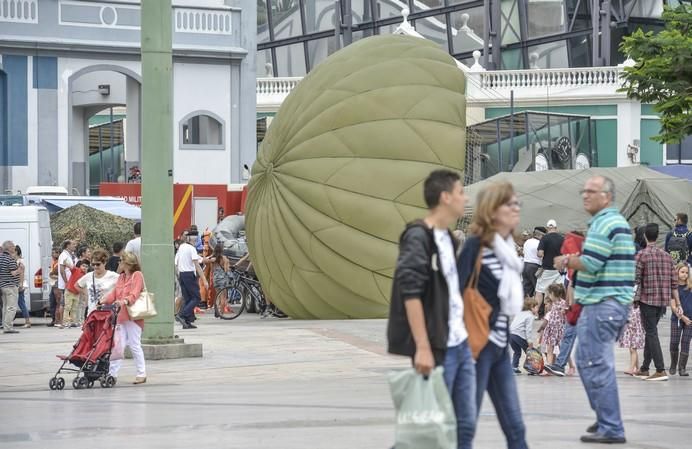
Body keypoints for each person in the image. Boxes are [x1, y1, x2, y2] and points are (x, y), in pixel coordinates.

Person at [387, 169, 476, 449]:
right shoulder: (417, 237)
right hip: (438, 346)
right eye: (461, 192)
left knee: (465, 423)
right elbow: (410, 292)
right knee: (432, 427)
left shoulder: (449, 239)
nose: (465, 198)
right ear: (445, 197)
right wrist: (422, 346)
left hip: (460, 343)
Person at [553, 175, 634, 444]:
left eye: (591, 191)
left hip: (603, 303)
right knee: (590, 363)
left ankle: (611, 426)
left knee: (596, 364)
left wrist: (566, 259)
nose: (585, 195)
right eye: (584, 191)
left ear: (606, 197)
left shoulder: (605, 222)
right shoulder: (609, 222)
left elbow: (592, 262)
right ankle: (605, 418)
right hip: (604, 304)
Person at [458, 181, 527, 449]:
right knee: (465, 427)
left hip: (500, 347)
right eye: (510, 204)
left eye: (517, 203)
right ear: (492, 210)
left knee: (515, 427)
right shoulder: (476, 247)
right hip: (474, 347)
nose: (516, 209)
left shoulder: (508, 249)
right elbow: (454, 294)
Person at [633, 223, 678, 381]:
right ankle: (645, 368)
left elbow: (636, 280)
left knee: (651, 333)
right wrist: (677, 304)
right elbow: (674, 282)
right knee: (650, 332)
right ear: (658, 236)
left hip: (647, 300)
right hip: (663, 302)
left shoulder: (641, 255)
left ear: (645, 236)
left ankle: (660, 369)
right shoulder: (667, 256)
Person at [100, 251, 147, 385]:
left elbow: (135, 293)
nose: (119, 263)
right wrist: (104, 300)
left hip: (133, 316)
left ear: (127, 263)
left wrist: (125, 301)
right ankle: (112, 374)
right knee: (118, 346)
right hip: (120, 316)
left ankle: (141, 373)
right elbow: (114, 293)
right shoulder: (121, 277)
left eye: (121, 261)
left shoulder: (137, 275)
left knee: (134, 345)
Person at [175, 230, 207, 329]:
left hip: (182, 274)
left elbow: (177, 262)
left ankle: (187, 322)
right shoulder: (191, 249)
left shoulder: (182, 247)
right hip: (189, 275)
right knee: (196, 297)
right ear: (195, 239)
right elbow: (197, 265)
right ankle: (182, 315)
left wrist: (178, 275)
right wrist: (204, 279)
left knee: (188, 298)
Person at [76, 249, 119, 316]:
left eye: (98, 264)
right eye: (93, 264)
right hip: (91, 313)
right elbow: (77, 285)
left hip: (107, 313)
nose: (95, 267)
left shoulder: (113, 276)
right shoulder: (89, 276)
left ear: (104, 263)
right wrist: (86, 293)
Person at [535, 219, 564, 317]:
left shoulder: (544, 238)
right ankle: (556, 313)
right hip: (559, 270)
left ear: (548, 228)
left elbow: (540, 253)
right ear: (556, 227)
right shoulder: (562, 238)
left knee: (540, 291)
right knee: (557, 291)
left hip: (547, 269)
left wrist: (542, 254)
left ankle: (536, 312)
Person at [669, 263, 692, 376]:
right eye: (682, 272)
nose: (684, 275)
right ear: (677, 272)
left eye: (687, 272)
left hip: (690, 321)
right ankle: (673, 364)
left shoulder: (690, 286)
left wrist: (688, 319)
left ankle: (682, 368)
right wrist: (683, 317)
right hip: (677, 319)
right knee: (674, 342)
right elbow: (673, 306)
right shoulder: (674, 288)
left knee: (686, 343)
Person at [538, 283, 567, 367]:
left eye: (550, 294)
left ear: (554, 294)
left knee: (563, 349)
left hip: (559, 330)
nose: (549, 296)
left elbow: (564, 315)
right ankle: (549, 366)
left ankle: (570, 365)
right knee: (550, 349)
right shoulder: (553, 303)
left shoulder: (562, 303)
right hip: (551, 329)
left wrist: (563, 311)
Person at [509, 297, 538, 374]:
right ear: (531, 307)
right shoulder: (530, 316)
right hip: (519, 335)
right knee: (530, 352)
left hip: (511, 334)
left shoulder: (519, 313)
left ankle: (514, 367)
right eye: (536, 307)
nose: (537, 309)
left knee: (517, 351)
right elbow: (528, 330)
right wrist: (530, 342)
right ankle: (532, 369)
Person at [619, 301, 645, 376]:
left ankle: (631, 369)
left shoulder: (638, 308)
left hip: (637, 331)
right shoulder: (629, 307)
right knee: (632, 349)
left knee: (632, 349)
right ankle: (638, 368)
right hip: (630, 331)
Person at [0, 241, 21, 334]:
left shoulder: (0, 257)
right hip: (10, 285)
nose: (14, 248)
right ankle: (8, 327)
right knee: (11, 307)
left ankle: (5, 325)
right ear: (8, 248)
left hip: (3, 285)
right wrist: (20, 269)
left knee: (5, 307)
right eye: (13, 246)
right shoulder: (9, 259)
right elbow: (13, 273)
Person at [56, 240, 77, 329]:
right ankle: (61, 322)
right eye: (73, 244)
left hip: (71, 283)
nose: (74, 246)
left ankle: (69, 321)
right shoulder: (63, 255)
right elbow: (61, 270)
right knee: (63, 303)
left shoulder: (70, 255)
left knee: (69, 303)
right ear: (67, 245)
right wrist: (66, 282)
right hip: (66, 283)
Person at [64, 260, 89, 328]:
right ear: (80, 266)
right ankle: (66, 322)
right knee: (68, 307)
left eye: (86, 267)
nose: (84, 267)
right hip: (69, 291)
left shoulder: (85, 275)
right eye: (83, 266)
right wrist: (66, 262)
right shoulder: (76, 270)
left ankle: (73, 322)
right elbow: (71, 267)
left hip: (77, 293)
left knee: (74, 308)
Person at [522, 227, 544, 298]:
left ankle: (524, 305)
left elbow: (523, 253)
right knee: (538, 289)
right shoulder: (540, 243)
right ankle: (539, 308)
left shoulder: (527, 241)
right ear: (541, 235)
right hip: (534, 266)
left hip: (525, 265)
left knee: (526, 287)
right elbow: (541, 256)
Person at [14, 245, 31, 328]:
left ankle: (27, 322)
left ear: (16, 252)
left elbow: (21, 273)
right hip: (19, 283)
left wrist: (20, 284)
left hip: (19, 284)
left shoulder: (19, 261)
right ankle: (27, 321)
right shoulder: (19, 260)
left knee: (21, 303)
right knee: (21, 303)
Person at [47, 248, 60, 327]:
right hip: (53, 284)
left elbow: (56, 274)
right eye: (52, 253)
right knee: (52, 302)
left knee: (57, 302)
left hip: (57, 284)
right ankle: (54, 319)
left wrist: (52, 275)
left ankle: (57, 320)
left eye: (55, 253)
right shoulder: (53, 262)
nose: (53, 254)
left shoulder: (58, 263)